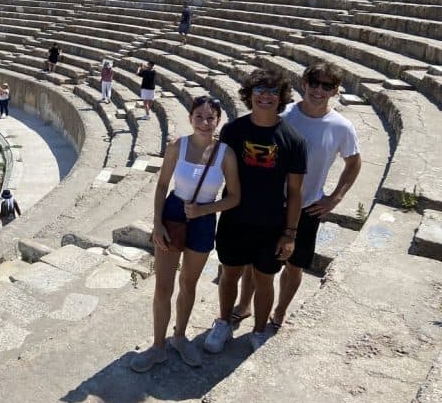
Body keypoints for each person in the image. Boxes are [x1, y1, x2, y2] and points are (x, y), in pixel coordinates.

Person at [232, 62, 361, 330]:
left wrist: (335, 198)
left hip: (307, 207)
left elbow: (354, 162)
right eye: (314, 83)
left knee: (294, 265)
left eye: (327, 86)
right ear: (304, 84)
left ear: (335, 91)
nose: (318, 90)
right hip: (270, 204)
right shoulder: (285, 114)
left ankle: (279, 311)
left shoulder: (341, 127)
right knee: (255, 263)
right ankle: (244, 305)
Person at [131, 96, 241, 372]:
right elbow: (161, 186)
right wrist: (157, 223)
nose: (205, 123)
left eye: (210, 118)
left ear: (218, 121)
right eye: (199, 117)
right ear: (191, 118)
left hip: (203, 220)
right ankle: (158, 347)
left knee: (188, 284)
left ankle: (179, 337)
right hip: (172, 215)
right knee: (162, 287)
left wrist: (206, 210)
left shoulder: (225, 154)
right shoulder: (176, 147)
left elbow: (235, 198)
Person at [204, 68, 307, 354]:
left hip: (271, 224)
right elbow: (216, 171)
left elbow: (296, 191)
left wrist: (290, 234)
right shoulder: (233, 131)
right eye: (259, 90)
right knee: (229, 275)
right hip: (235, 220)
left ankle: (259, 330)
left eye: (273, 91)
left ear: (282, 97)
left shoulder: (293, 139)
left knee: (265, 279)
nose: (266, 96)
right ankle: (223, 322)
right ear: (249, 95)